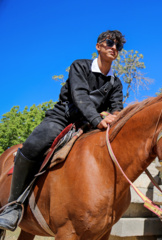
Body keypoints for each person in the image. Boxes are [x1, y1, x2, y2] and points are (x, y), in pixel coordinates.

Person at [0, 30, 126, 231]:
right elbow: (79, 96)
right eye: (109, 42)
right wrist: (98, 117)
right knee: (32, 146)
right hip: (62, 118)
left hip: (89, 127)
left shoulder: (115, 83)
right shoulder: (80, 66)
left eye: (118, 46)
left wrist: (115, 116)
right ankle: (13, 206)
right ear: (98, 46)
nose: (113, 48)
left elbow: (117, 106)